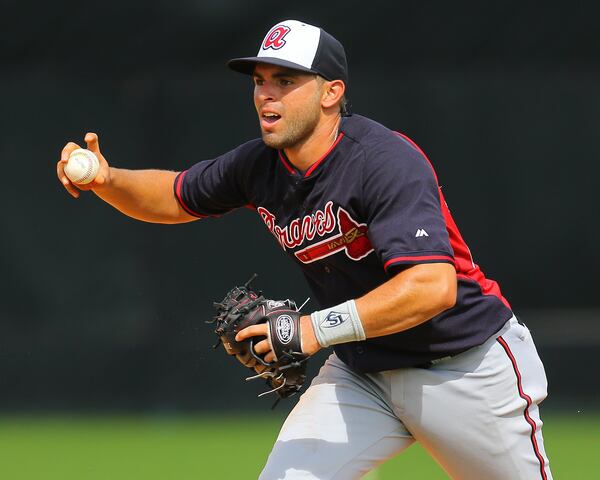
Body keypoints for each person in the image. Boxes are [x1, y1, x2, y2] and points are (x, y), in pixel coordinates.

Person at [57, 19, 552, 480]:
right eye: (260, 81)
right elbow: (174, 196)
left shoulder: (383, 162)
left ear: (331, 93)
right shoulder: (260, 165)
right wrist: (108, 179)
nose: (267, 94)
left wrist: (314, 329)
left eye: (286, 81)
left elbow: (432, 288)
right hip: (363, 375)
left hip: (463, 366)